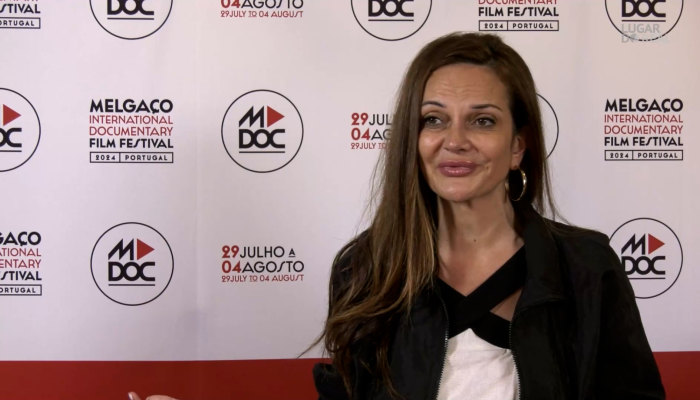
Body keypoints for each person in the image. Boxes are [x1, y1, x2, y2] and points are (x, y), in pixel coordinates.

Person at [312, 32, 665, 400]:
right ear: (411, 139)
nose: (455, 141)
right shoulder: (365, 268)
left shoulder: (588, 269)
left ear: (517, 146)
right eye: (434, 119)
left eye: (482, 121)